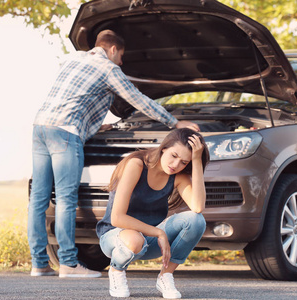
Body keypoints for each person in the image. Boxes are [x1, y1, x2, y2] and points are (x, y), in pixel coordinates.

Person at [28, 30, 200, 278]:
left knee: (39, 199)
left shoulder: (73, 59)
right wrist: (175, 123)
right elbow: (138, 99)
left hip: (41, 127)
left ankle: (39, 264)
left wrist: (94, 126)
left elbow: (72, 99)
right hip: (66, 132)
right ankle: (67, 263)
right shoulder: (108, 68)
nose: (121, 62)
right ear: (112, 49)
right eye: (121, 56)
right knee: (66, 198)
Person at [96, 128, 210, 298]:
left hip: (149, 241)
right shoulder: (137, 165)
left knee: (196, 220)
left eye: (184, 162)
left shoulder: (177, 176)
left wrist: (197, 161)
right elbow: (117, 217)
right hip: (115, 238)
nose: (176, 165)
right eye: (174, 156)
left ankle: (166, 275)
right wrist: (159, 232)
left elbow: (198, 206)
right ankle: (116, 270)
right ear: (164, 148)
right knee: (135, 240)